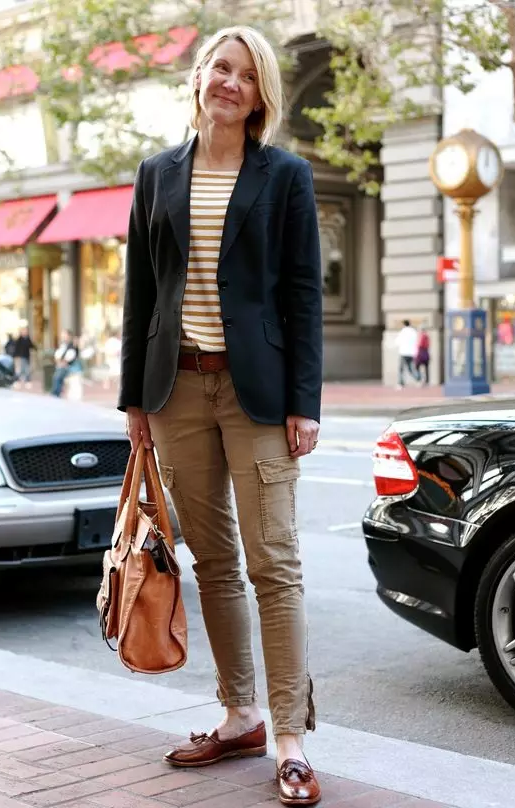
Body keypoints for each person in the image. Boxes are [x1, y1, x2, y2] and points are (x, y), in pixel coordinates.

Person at [119, 26, 322, 807]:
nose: (228, 82)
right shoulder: (156, 174)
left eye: (245, 74)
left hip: (258, 393)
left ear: (261, 93)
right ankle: (238, 712)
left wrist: (305, 403)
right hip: (176, 393)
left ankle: (290, 739)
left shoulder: (285, 177)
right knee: (212, 561)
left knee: (274, 562)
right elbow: (141, 292)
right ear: (199, 79)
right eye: (218, 68)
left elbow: (301, 293)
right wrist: (135, 399)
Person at [51, 329, 81, 397]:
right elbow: (57, 355)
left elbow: (71, 357)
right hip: (61, 366)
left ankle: (56, 393)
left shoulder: (72, 345)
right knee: (56, 375)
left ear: (69, 336)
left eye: (65, 335)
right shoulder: (62, 345)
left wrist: (62, 362)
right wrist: (58, 361)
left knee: (58, 375)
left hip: (69, 368)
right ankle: (56, 392)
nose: (63, 337)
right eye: (62, 335)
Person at [395, 319, 420, 389]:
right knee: (411, 368)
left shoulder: (402, 332)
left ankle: (400, 383)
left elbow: (397, 342)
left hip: (403, 352)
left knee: (401, 369)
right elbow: (416, 342)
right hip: (411, 353)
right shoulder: (413, 332)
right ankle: (418, 379)